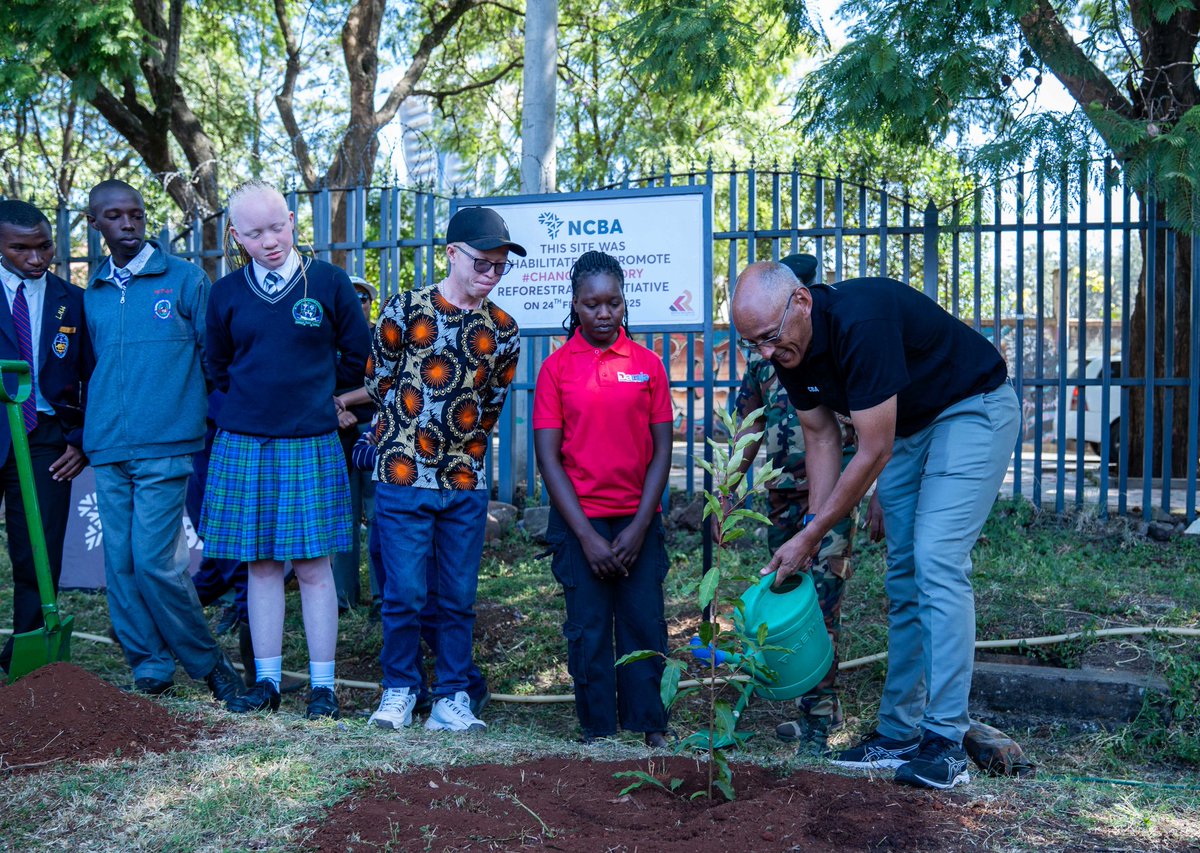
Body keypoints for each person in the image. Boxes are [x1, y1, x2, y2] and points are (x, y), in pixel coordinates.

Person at [731, 262, 1020, 790]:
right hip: (911, 427)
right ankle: (899, 732)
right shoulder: (788, 350)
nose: (767, 354)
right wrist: (814, 530)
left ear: (801, 302)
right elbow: (819, 437)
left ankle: (945, 739)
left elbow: (873, 449)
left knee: (936, 560)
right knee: (904, 574)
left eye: (769, 338)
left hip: (971, 408)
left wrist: (811, 534)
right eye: (754, 345)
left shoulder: (860, 322)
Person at [201, 180, 370, 720]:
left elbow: (357, 352)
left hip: (313, 438)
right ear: (236, 236)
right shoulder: (226, 293)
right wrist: (247, 410)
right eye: (254, 233)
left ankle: (324, 688)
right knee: (262, 566)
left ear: (293, 220)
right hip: (245, 441)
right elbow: (216, 366)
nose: (269, 239)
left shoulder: (327, 282)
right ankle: (268, 682)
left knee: (315, 566)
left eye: (277, 226)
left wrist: (329, 402)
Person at [83, 179, 242, 701]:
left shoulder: (184, 279)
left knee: (156, 561)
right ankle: (149, 666)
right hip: (107, 446)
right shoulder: (95, 293)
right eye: (114, 216)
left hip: (168, 443)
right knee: (121, 563)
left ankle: (210, 665)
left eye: (135, 214)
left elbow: (213, 359)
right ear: (95, 223)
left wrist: (199, 419)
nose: (127, 224)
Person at [365, 206, 521, 733]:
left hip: (465, 480)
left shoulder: (503, 329)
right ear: (452, 253)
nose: (492, 275)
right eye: (483, 262)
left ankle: (452, 697)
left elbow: (492, 399)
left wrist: (462, 449)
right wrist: (410, 435)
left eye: (501, 266)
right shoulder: (404, 309)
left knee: (458, 597)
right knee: (404, 593)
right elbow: (380, 381)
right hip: (402, 475)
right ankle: (400, 691)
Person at [533, 251, 672, 747]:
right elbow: (549, 459)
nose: (604, 313)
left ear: (624, 303)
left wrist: (638, 528)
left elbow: (662, 450)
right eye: (592, 304)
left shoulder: (648, 365)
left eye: (613, 302)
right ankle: (597, 730)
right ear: (575, 304)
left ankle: (650, 725)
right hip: (580, 527)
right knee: (589, 630)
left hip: (639, 523)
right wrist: (587, 537)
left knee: (644, 624)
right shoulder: (555, 370)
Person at [720, 253, 857, 752]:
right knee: (784, 601)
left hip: (834, 496)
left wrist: (878, 491)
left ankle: (819, 721)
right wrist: (730, 483)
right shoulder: (762, 358)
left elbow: (871, 427)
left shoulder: (831, 347)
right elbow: (748, 423)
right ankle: (797, 707)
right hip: (780, 497)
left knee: (820, 603)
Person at [0, 200, 89, 676]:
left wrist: (80, 439)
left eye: (44, 247)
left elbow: (93, 375)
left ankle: (27, 659)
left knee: (38, 549)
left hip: (47, 438)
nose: (36, 259)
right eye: (21, 249)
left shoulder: (70, 299)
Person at [331, 275, 381, 613]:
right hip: (335, 432)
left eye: (363, 296)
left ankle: (383, 597)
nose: (358, 302)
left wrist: (342, 402)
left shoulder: (382, 334)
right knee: (342, 516)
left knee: (380, 513)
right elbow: (309, 380)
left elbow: (386, 382)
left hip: (376, 427)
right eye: (351, 296)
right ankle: (343, 598)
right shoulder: (323, 337)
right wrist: (332, 411)